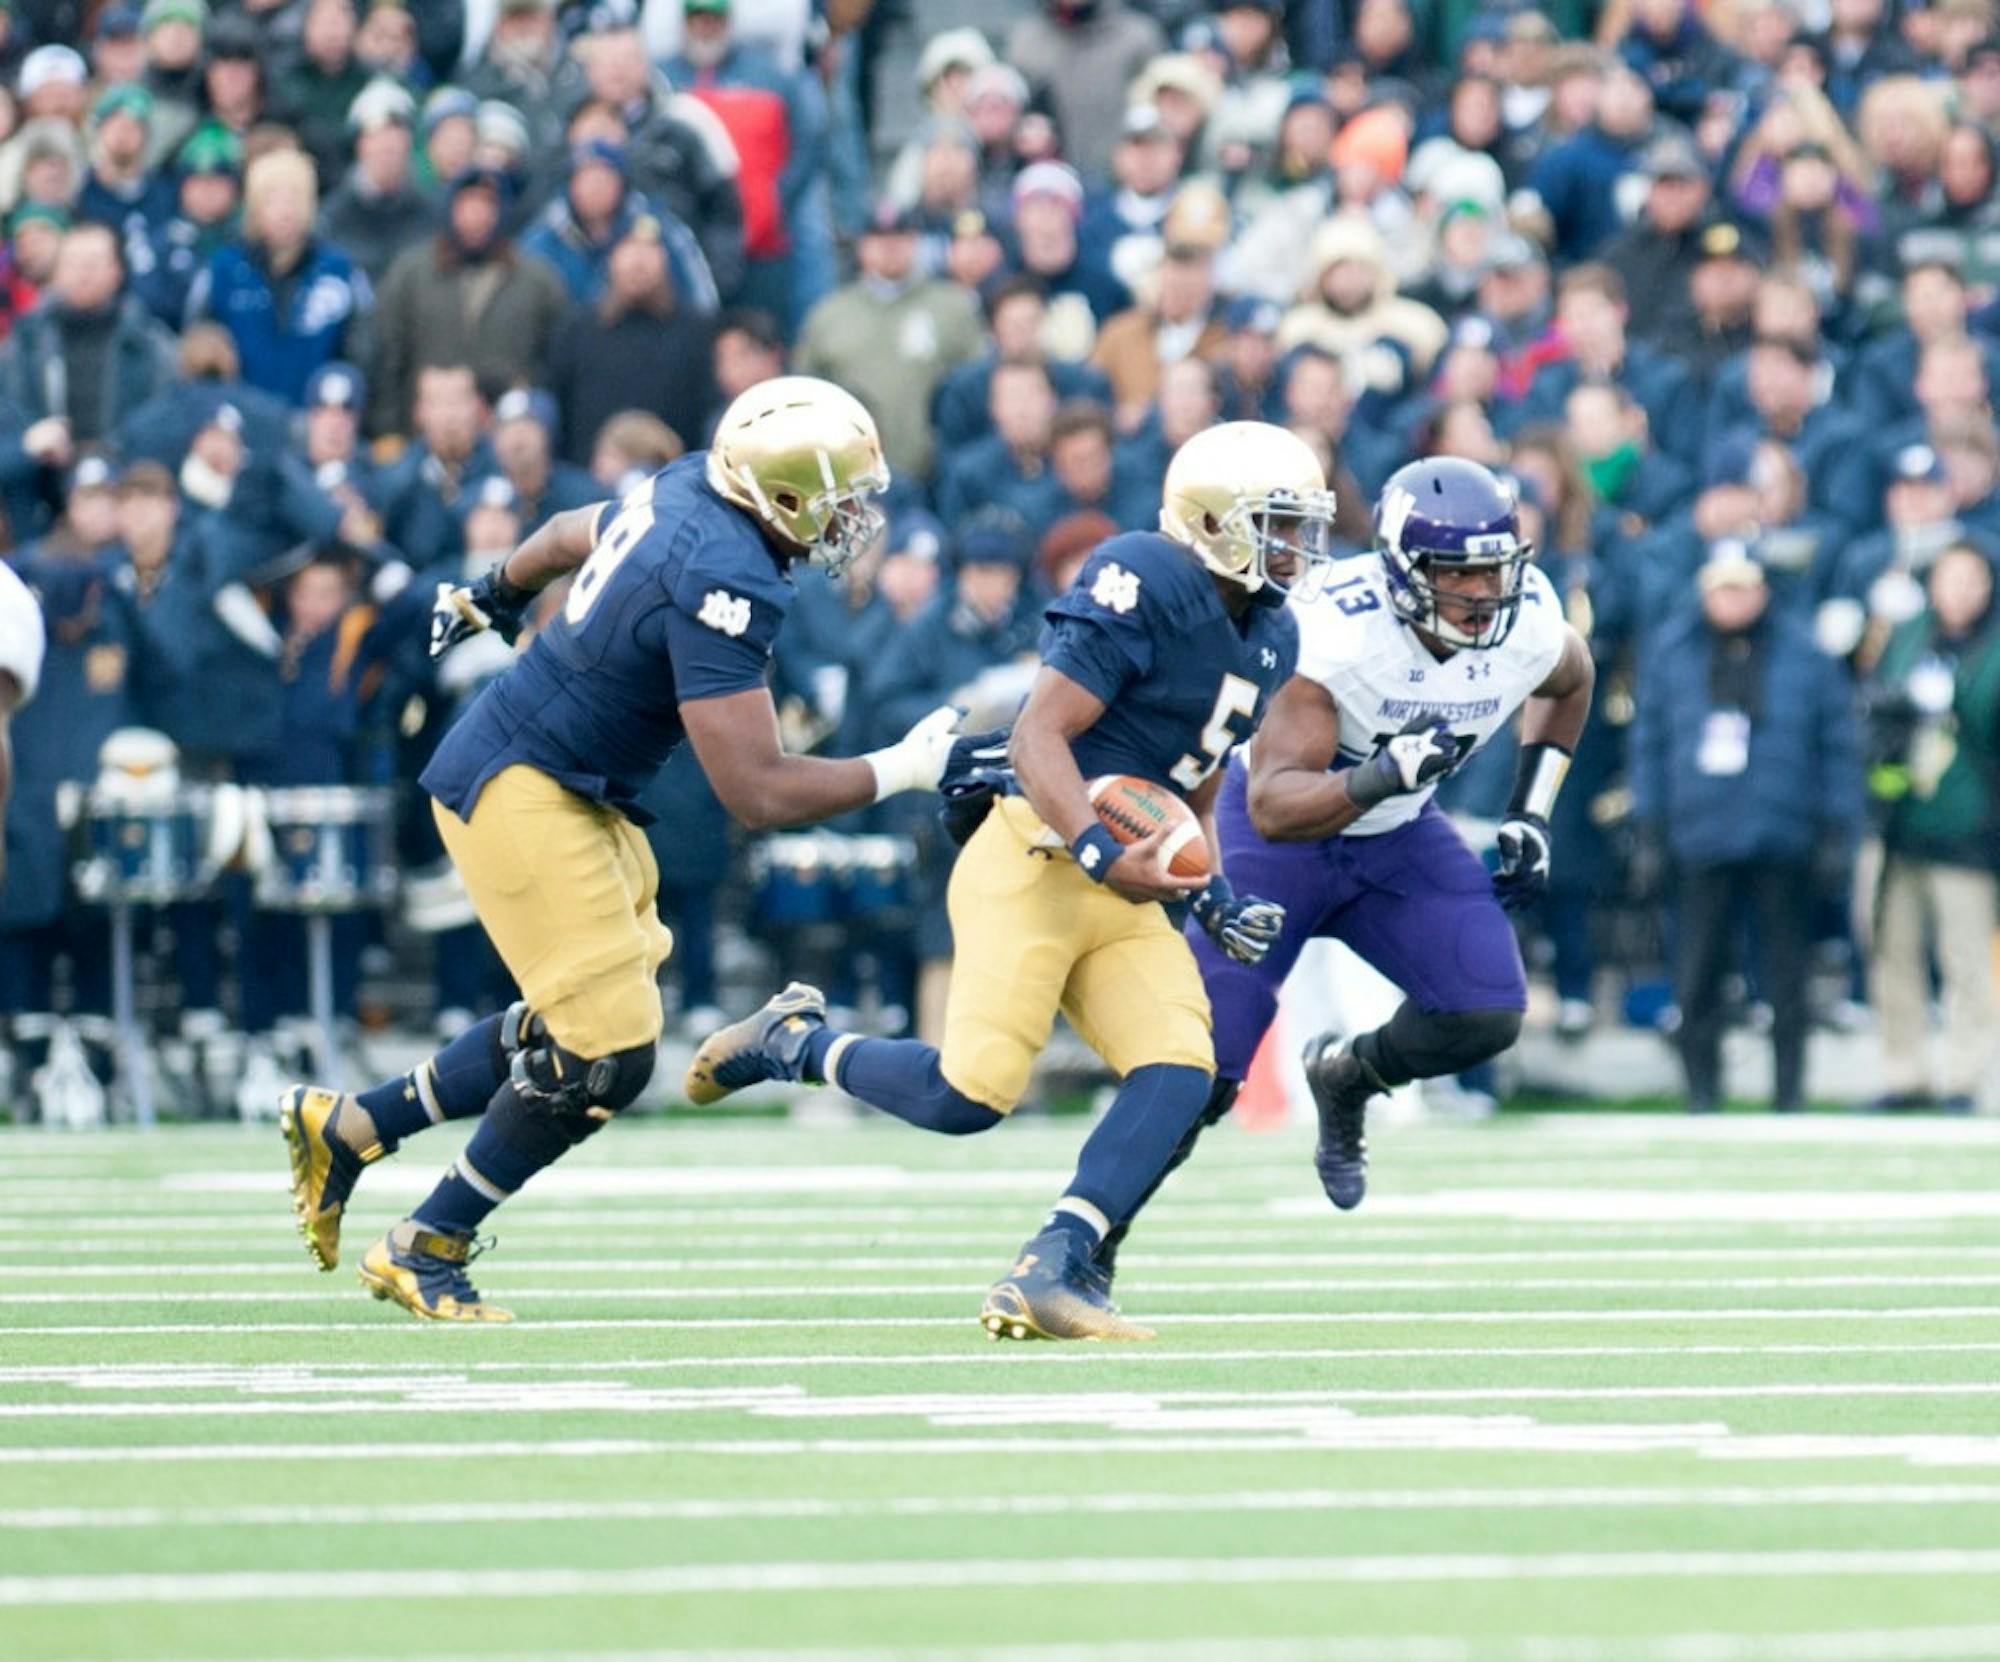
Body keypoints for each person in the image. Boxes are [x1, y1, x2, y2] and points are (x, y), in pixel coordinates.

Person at [279, 377, 976, 1321]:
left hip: (562, 779)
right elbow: (757, 789)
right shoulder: (726, 572)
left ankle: (354, 1126)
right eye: (837, 499)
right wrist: (905, 768)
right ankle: (426, 1242)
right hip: (522, 787)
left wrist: (495, 590)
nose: (853, 520)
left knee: (581, 1021)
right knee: (607, 1053)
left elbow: (568, 530)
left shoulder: (693, 483)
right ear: (777, 495)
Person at [685, 422, 1338, 1342]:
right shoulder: (1142, 576)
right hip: (1037, 851)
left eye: (1301, 524)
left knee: (1181, 1072)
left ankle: (1055, 1263)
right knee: (969, 1097)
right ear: (1210, 521)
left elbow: (1198, 776)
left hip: (1123, 881)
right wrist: (1098, 849)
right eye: (1276, 523)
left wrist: (1211, 892)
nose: (1295, 545)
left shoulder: (1273, 631)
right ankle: (793, 1042)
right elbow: (1037, 737)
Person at [1095, 459, 1593, 1270]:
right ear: (1403, 570)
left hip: (1397, 836)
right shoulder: (1334, 634)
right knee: (1202, 1071)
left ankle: (1349, 1076)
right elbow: (1273, 805)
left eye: (1493, 570)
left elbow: (1571, 680)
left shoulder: (1529, 618)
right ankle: (1086, 1240)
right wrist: (1382, 774)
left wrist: (1531, 810)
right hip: (1275, 843)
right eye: (1456, 573)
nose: (1481, 593)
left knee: (1484, 1010)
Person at [1630, 547, 1863, 1113]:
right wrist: (1649, 828)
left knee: (1786, 973)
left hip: (1782, 830)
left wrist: (1837, 829)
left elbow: (1837, 744)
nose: (1732, 600)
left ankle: (1789, 1093)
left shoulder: (1805, 653)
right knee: (1697, 971)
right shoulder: (1673, 651)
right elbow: (1650, 745)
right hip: (1698, 830)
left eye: (1743, 587)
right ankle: (1701, 1092)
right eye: (1722, 588)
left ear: (1763, 590)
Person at [1857, 541, 2000, 1111]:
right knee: (1892, 951)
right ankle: (1905, 1074)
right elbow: (1870, 701)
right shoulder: (1907, 635)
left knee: (1967, 956)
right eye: (1950, 578)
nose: (1960, 591)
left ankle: (1964, 1076)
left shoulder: (1992, 646)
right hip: (1899, 818)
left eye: (1972, 580)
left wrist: (1955, 704)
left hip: (1968, 824)